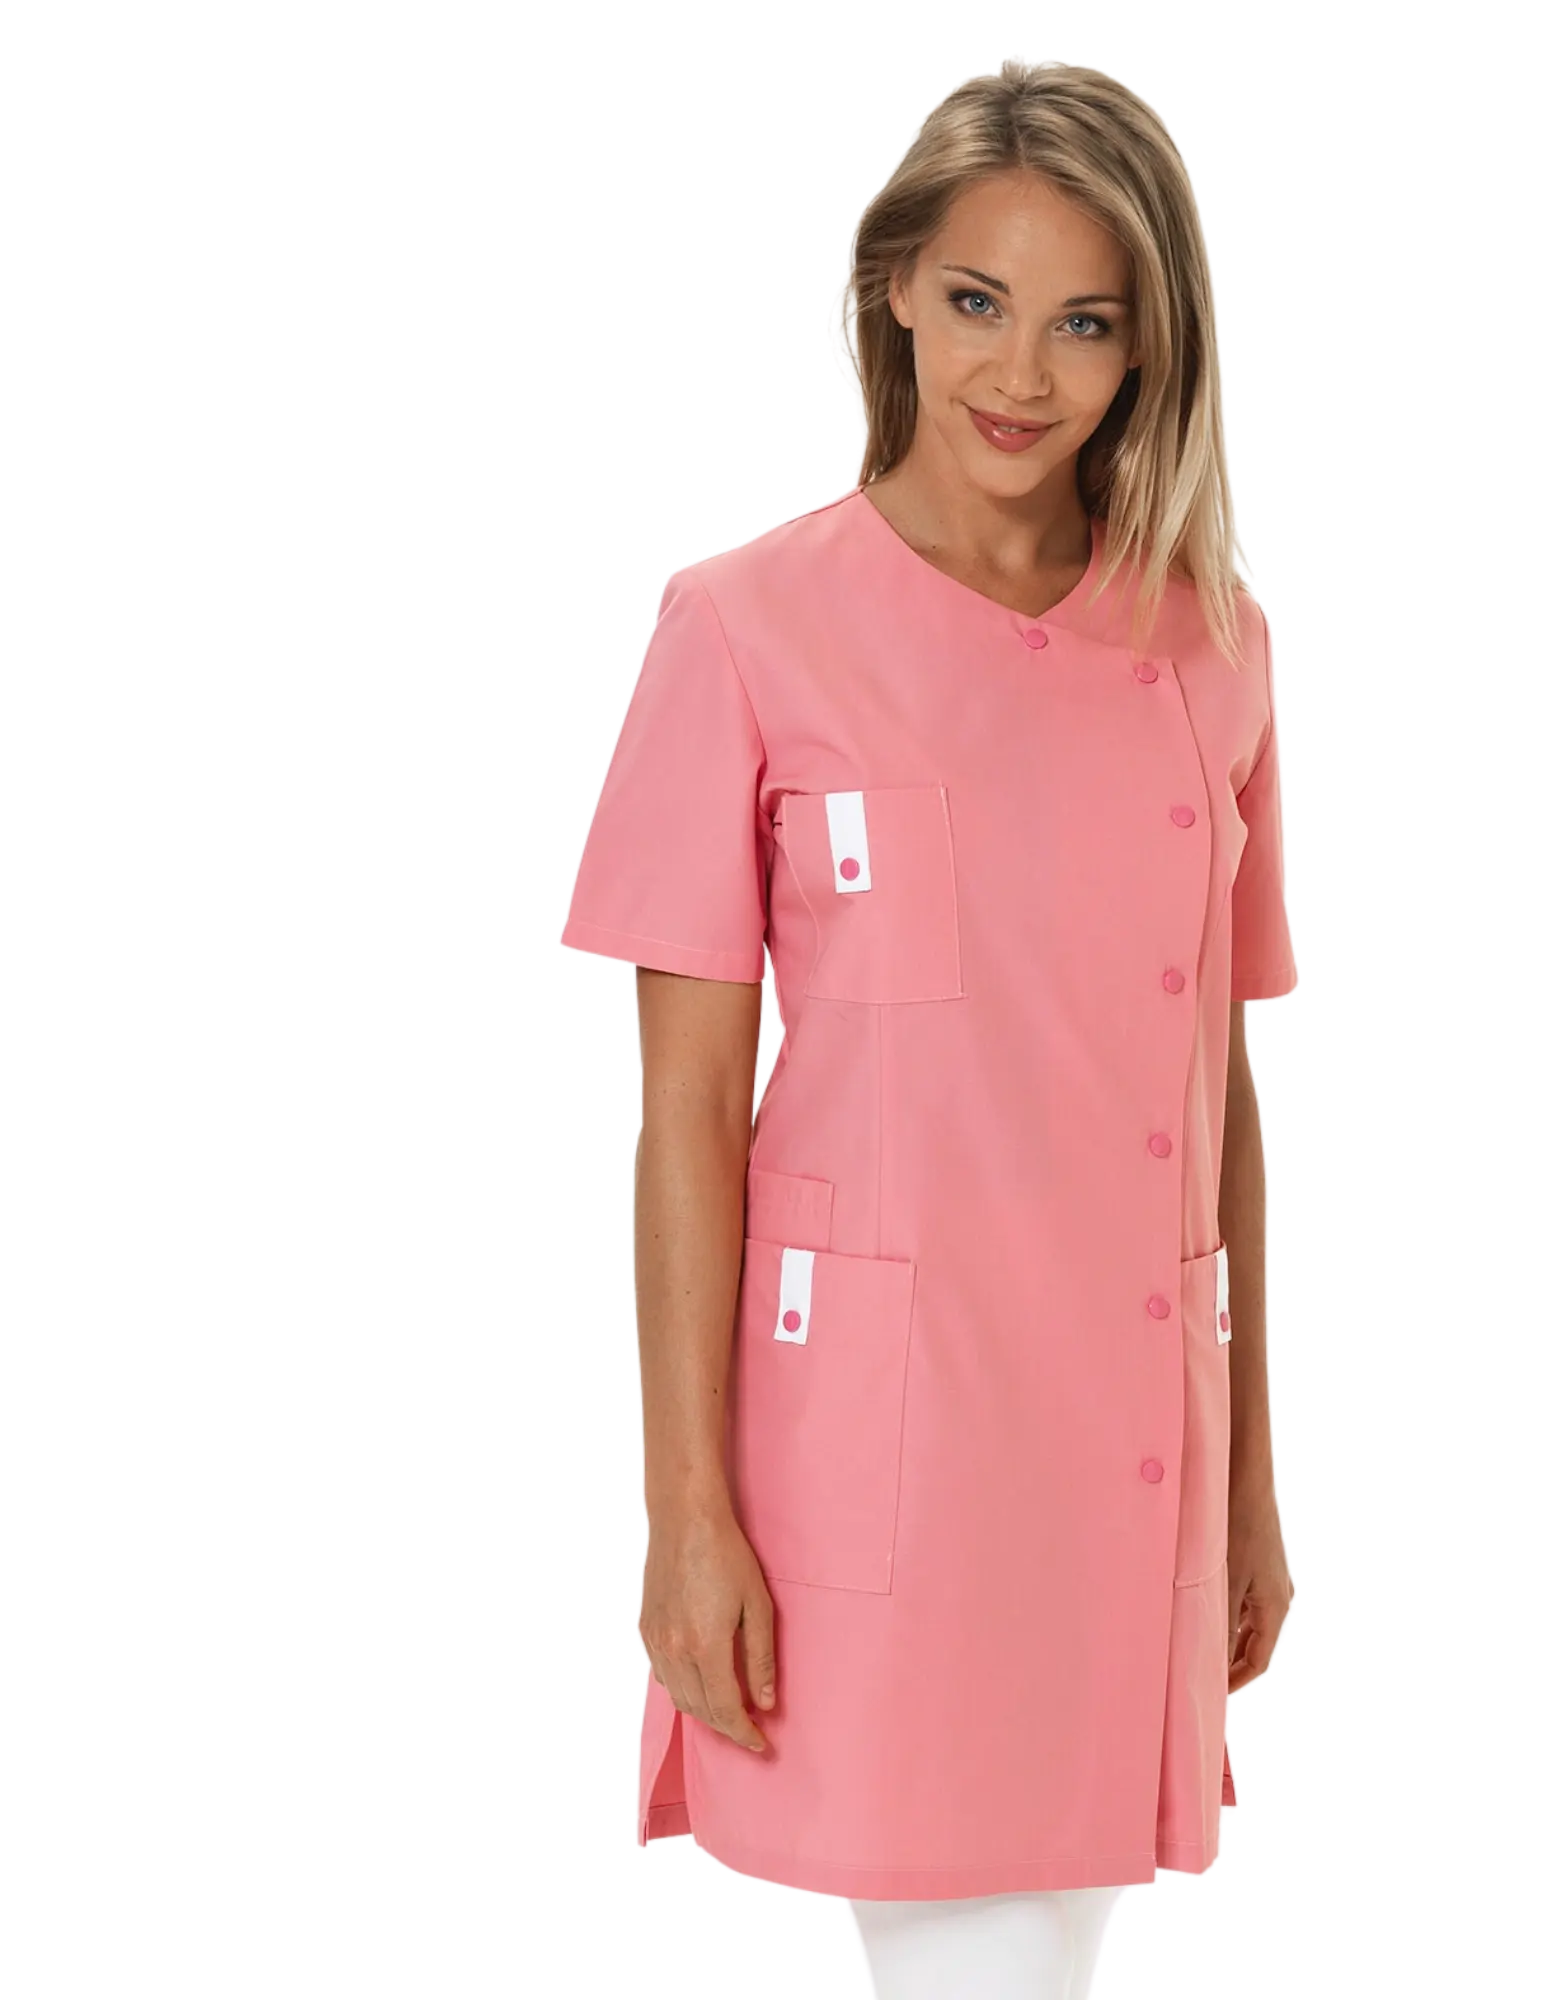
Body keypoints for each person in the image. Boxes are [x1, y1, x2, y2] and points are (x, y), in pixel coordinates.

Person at [559, 55, 1298, 1997]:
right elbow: (685, 1104)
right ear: (890, 289)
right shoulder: (744, 627)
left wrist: (1252, 1481)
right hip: (877, 1444)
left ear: (1151, 346)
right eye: (978, 299)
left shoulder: (1211, 642)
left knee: (1046, 1941)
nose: (1020, 373)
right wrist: (684, 1512)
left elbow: (1218, 1083)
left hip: (1127, 1442)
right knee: (978, 1955)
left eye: (1084, 322)